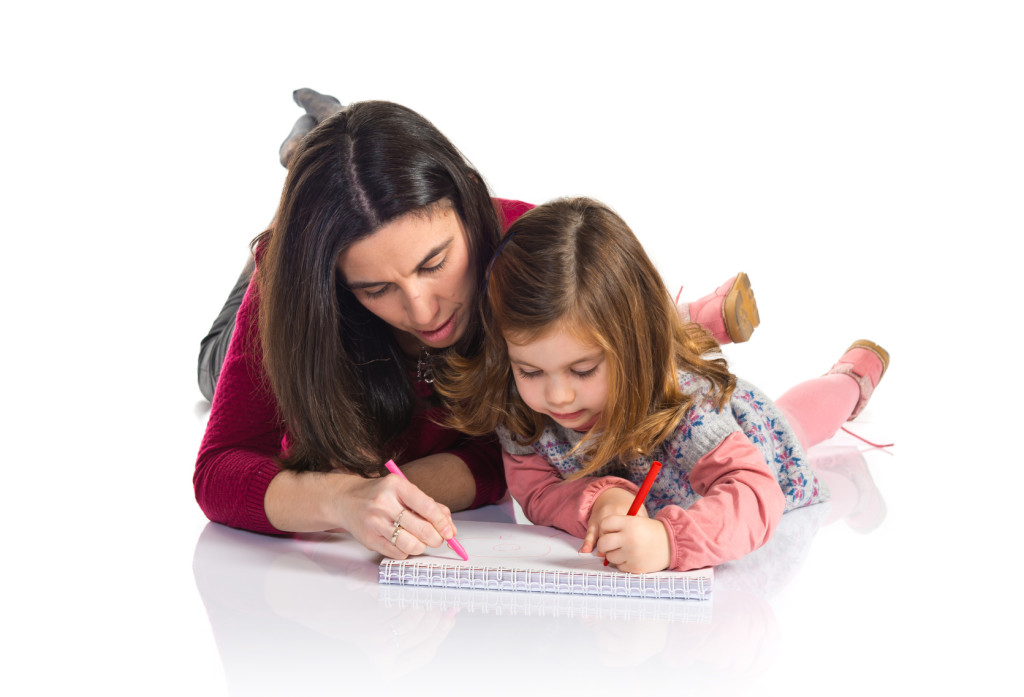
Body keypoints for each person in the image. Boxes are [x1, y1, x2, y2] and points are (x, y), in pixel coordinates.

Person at [194, 94, 762, 561]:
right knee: (211, 366)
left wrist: (398, 492)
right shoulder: (296, 287)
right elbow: (221, 470)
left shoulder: (524, 251)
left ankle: (317, 156)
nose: (422, 313)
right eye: (375, 288)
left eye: (434, 264)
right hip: (286, 308)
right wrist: (342, 499)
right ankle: (305, 174)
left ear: (468, 203)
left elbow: (513, 457)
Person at [435, 197, 889, 573]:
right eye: (531, 371)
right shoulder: (518, 405)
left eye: (583, 370)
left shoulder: (684, 407)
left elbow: (756, 494)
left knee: (797, 428)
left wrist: (670, 542)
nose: (556, 396)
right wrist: (599, 501)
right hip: (658, 490)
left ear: (634, 346)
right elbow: (535, 490)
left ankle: (849, 381)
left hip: (758, 443)